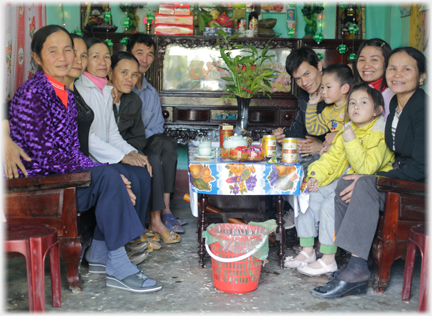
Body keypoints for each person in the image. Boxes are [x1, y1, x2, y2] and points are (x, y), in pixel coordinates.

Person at [7, 25, 161, 293]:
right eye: (53, 51)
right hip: (37, 187)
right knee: (110, 178)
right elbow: (45, 157)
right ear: (37, 58)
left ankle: (103, 254)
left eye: (68, 50)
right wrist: (102, 174)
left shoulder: (64, 93)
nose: (64, 57)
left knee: (113, 176)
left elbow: (74, 151)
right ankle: (119, 266)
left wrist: (103, 171)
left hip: (61, 180)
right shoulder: (33, 93)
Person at [311, 47, 426, 299]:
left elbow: (421, 166)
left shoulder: (423, 108)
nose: (397, 74)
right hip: (402, 177)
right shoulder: (395, 103)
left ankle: (356, 271)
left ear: (422, 77)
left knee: (363, 183)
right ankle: (355, 262)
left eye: (406, 69)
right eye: (392, 68)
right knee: (345, 183)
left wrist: (376, 178)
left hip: (419, 187)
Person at [285, 83, 394, 277]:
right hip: (339, 179)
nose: (356, 107)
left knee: (330, 205)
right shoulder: (348, 129)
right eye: (352, 103)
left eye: (363, 102)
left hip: (364, 186)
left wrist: (351, 140)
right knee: (307, 194)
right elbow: (330, 160)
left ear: (378, 110)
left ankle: (328, 259)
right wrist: (315, 177)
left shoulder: (379, 134)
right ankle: (307, 250)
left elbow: (366, 168)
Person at [107, 50, 181, 244]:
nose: (130, 79)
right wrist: (126, 154)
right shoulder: (101, 97)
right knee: (142, 165)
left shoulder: (134, 100)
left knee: (153, 159)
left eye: (134, 74)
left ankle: (156, 221)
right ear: (110, 72)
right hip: (107, 155)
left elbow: (139, 137)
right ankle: (138, 229)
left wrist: (134, 153)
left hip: (128, 150)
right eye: (124, 73)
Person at [126, 33, 185, 228]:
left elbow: (158, 126)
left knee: (168, 144)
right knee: (153, 156)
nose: (145, 59)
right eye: (139, 53)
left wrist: (143, 138)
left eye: (150, 54)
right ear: (129, 54)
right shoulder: (123, 86)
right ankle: (155, 218)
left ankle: (166, 209)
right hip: (125, 141)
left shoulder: (151, 91)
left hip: (146, 139)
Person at [305, 63, 352, 154]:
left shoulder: (352, 108)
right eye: (322, 87)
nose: (323, 92)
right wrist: (312, 104)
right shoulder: (328, 111)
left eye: (328, 87)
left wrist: (336, 136)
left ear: (344, 88)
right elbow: (313, 129)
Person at [353, 38, 395, 120]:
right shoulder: (354, 91)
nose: (366, 66)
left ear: (386, 63)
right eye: (362, 60)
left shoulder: (392, 96)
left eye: (374, 60)